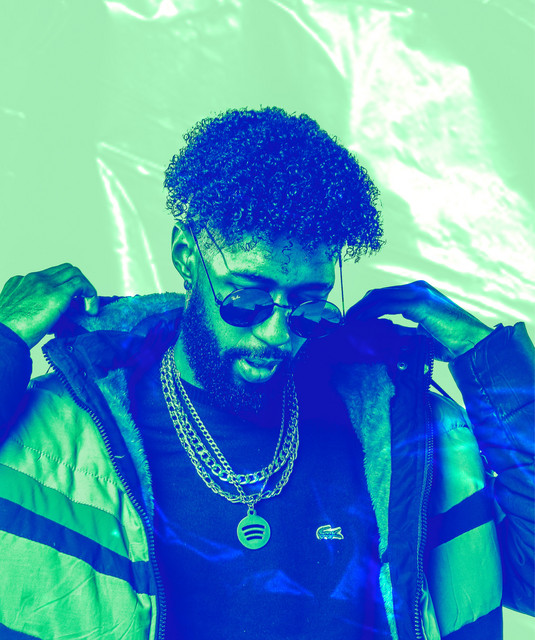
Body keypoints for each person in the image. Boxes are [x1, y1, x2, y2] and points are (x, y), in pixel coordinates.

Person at [0, 107, 533, 640]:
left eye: (307, 306)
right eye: (247, 300)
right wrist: (5, 338)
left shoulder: (407, 430)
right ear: (186, 256)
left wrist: (484, 352)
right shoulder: (62, 431)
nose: (277, 335)